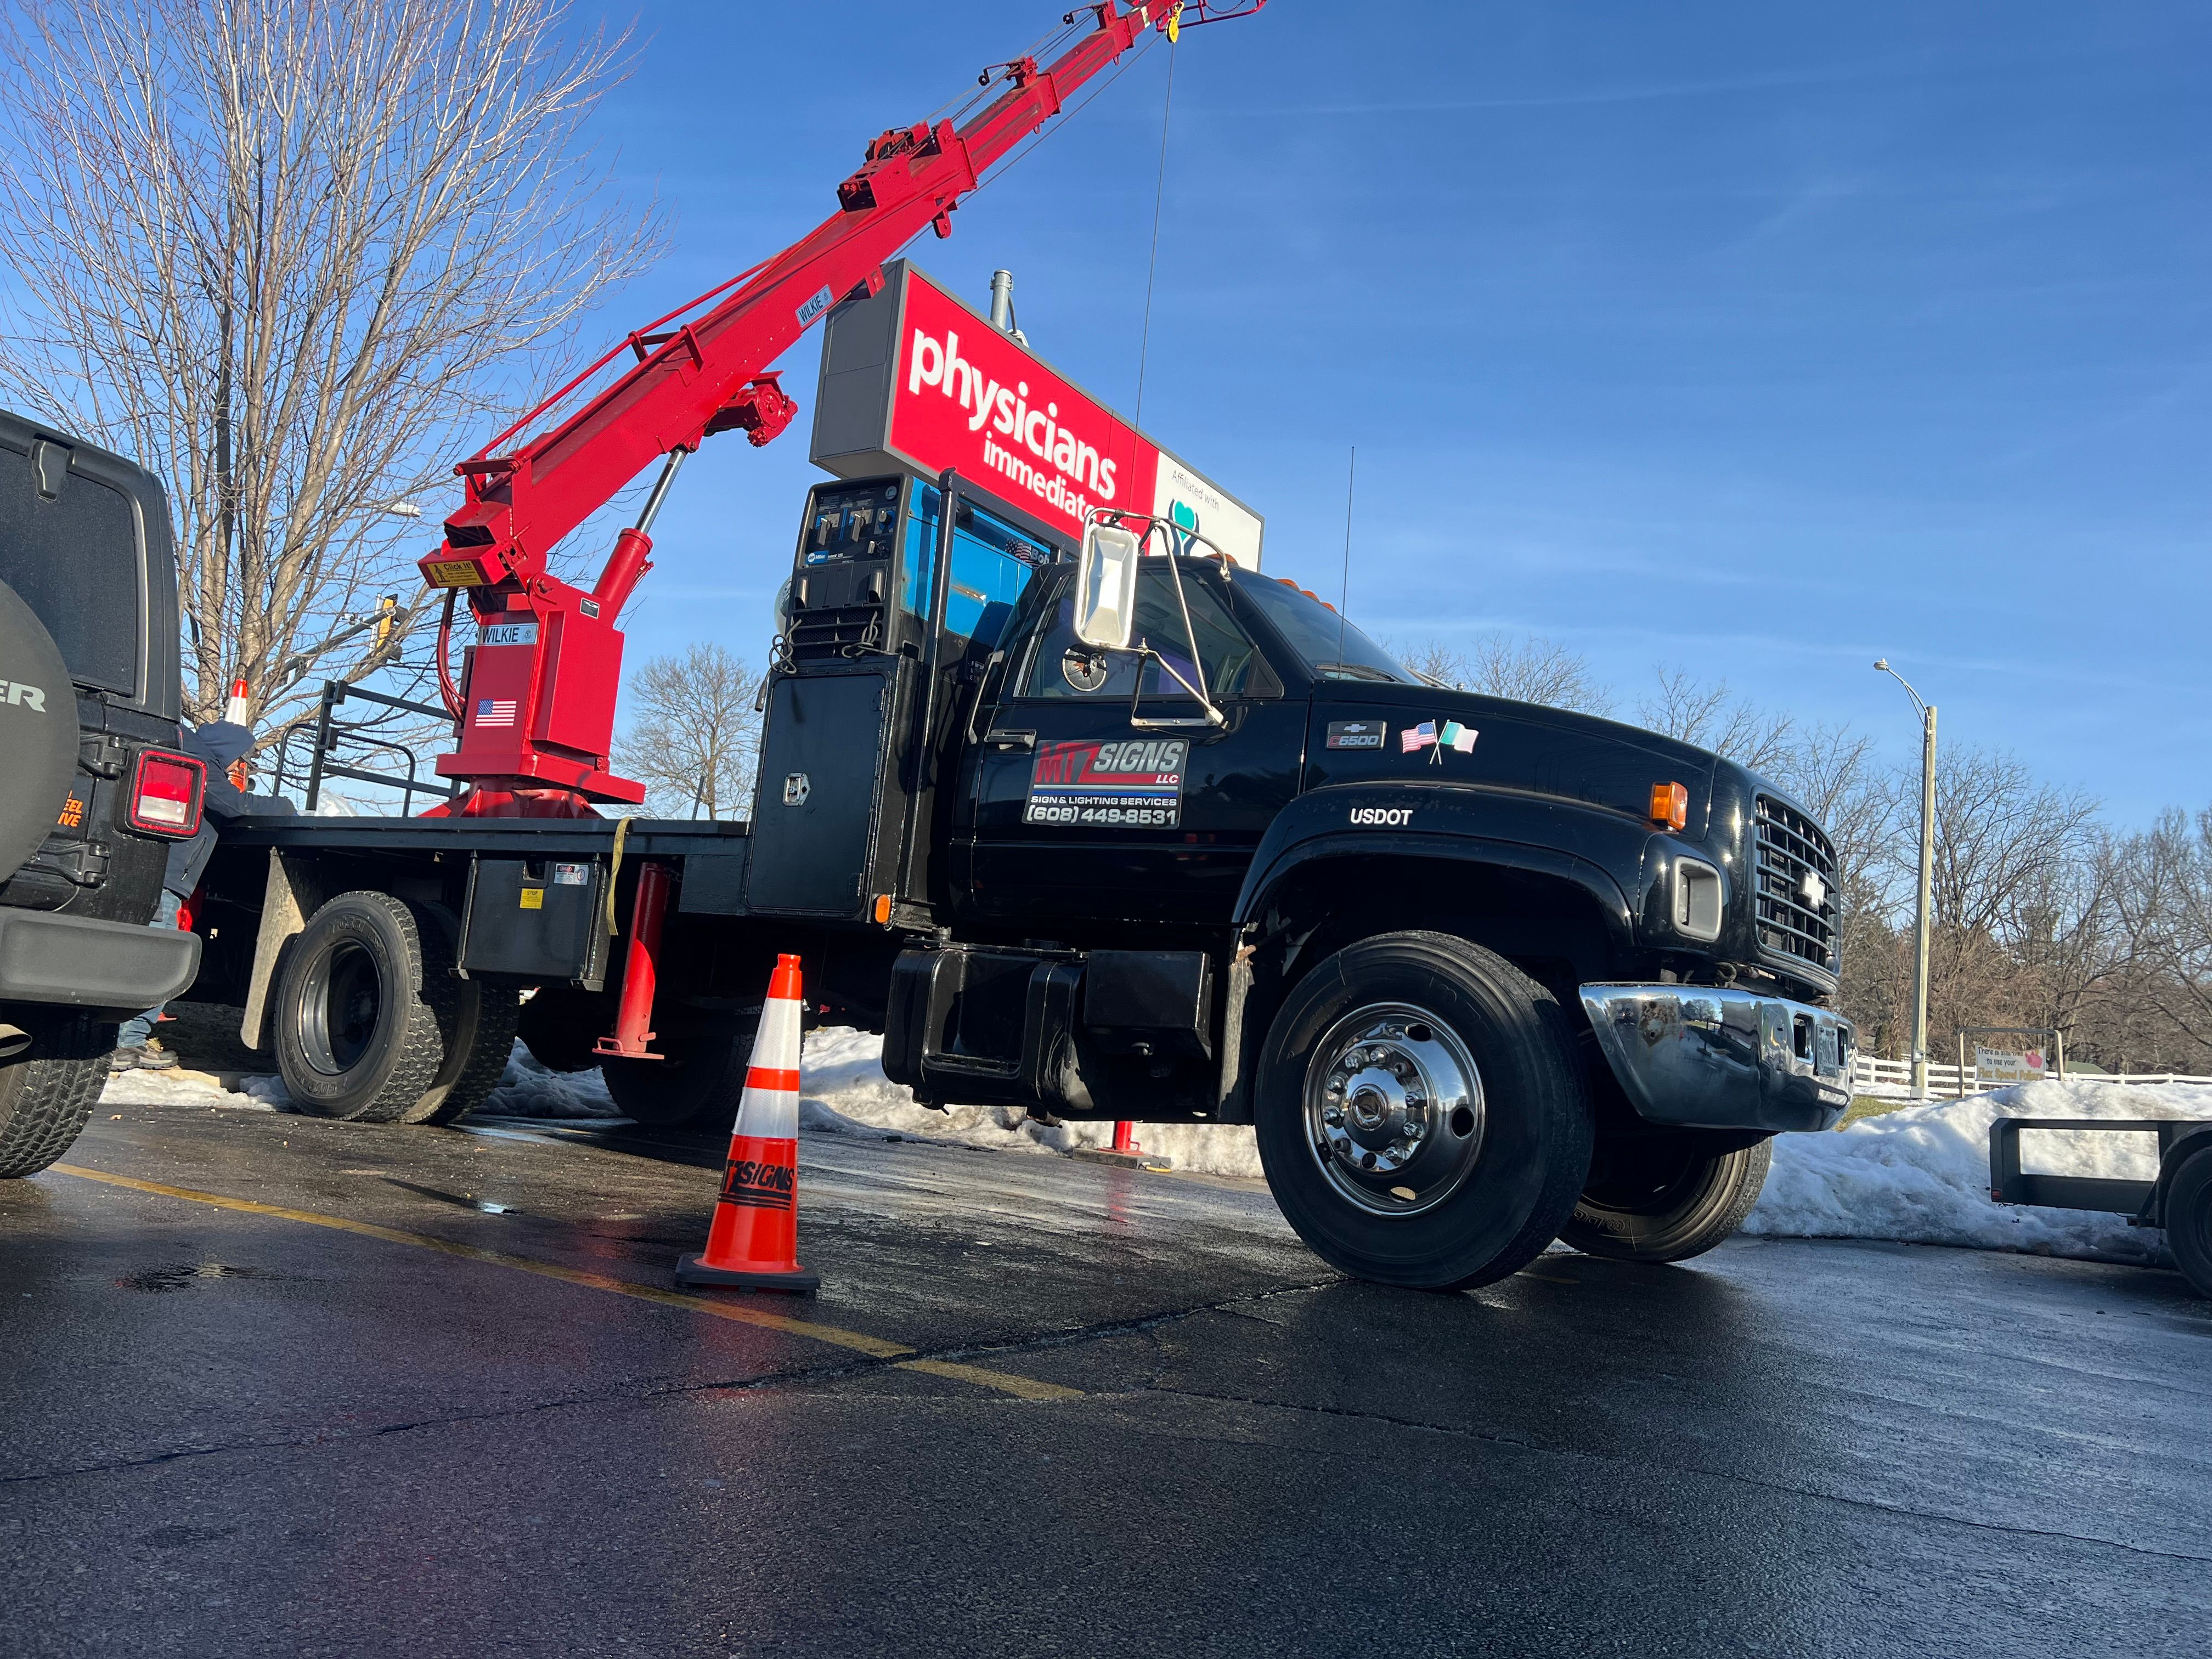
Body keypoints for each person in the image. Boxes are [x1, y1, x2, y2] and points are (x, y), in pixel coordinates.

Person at [111, 721, 295, 1070]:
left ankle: (126, 1039)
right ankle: (127, 1042)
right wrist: (285, 806)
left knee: (152, 958)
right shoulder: (200, 767)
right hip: (163, 881)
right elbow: (237, 805)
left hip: (165, 879)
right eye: (242, 760)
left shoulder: (192, 760)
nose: (240, 768)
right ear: (227, 750)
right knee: (156, 960)